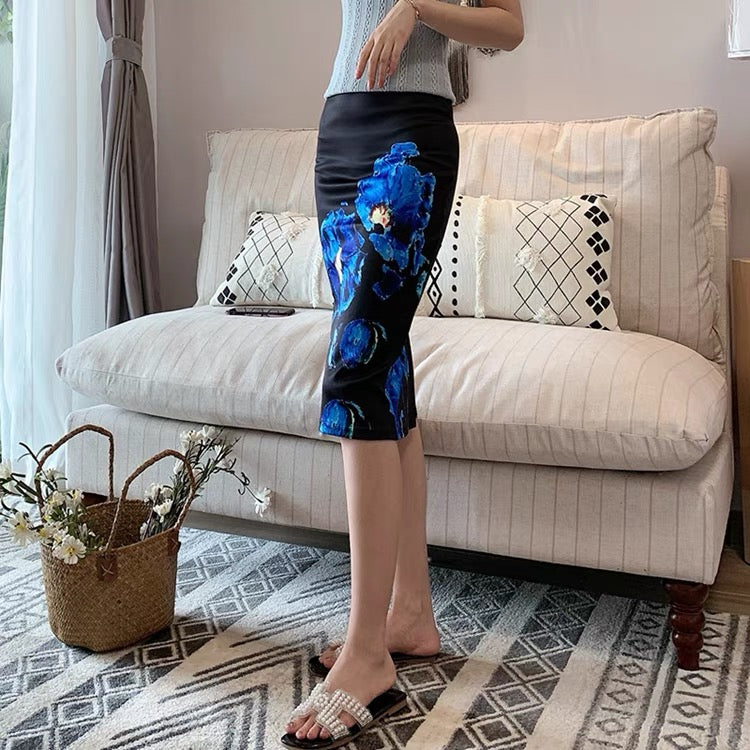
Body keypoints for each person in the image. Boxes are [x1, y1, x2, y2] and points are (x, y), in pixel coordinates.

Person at [281, 1, 524, 747]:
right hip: (339, 129)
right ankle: (410, 614)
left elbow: (508, 27)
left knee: (355, 374)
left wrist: (416, 8)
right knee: (385, 374)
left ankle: (366, 654)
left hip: (412, 133)